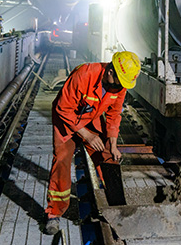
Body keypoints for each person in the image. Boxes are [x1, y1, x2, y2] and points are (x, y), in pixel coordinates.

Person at [44, 50, 140, 235]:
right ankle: (53, 213)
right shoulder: (85, 74)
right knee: (62, 161)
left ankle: (116, 207)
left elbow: (113, 115)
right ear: (110, 72)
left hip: (91, 118)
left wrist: (112, 144)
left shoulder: (120, 85)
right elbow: (63, 108)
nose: (121, 87)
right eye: (119, 82)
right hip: (66, 117)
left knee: (108, 156)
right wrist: (87, 136)